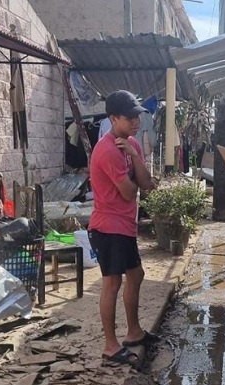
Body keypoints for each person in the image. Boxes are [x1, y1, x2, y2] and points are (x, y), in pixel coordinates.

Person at [88, 90, 157, 367]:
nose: (135, 122)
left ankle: (133, 331)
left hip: (124, 225)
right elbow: (130, 192)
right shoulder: (106, 150)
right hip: (107, 227)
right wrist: (133, 165)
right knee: (112, 283)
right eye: (129, 118)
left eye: (137, 116)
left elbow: (148, 183)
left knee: (136, 275)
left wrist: (135, 156)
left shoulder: (131, 146)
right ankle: (110, 345)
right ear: (113, 118)